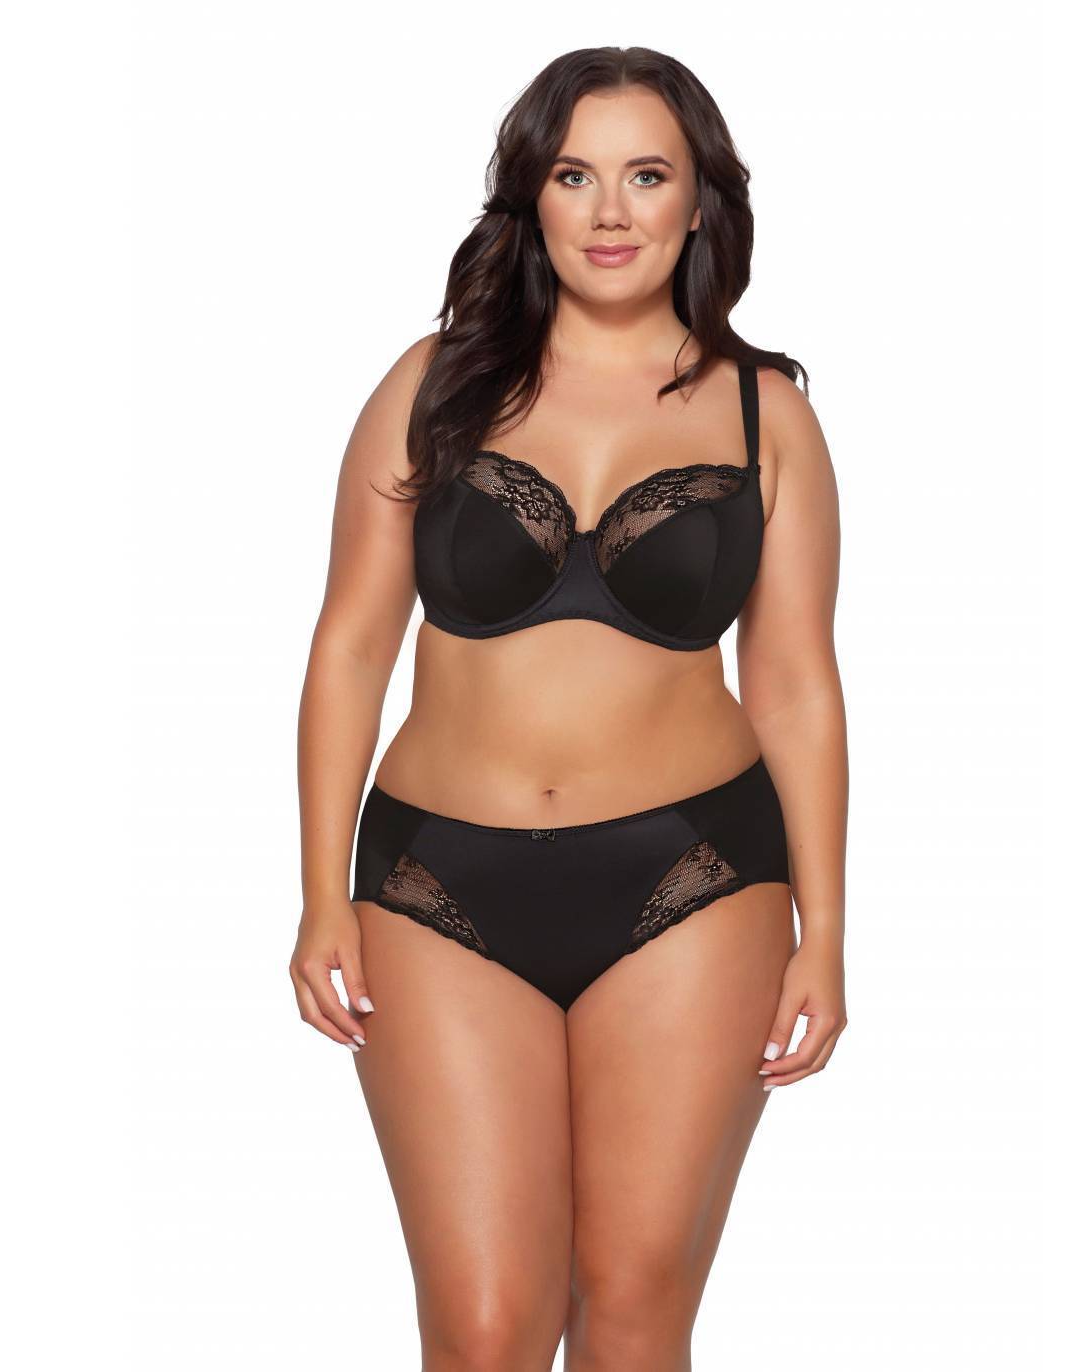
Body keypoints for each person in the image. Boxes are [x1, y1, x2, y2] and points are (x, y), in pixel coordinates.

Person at [290, 46, 848, 1371]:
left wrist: (826, 933)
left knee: (634, 1316)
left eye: (646, 175)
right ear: (530, 198)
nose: (609, 211)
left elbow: (794, 683)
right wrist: (319, 896)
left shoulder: (766, 415)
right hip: (434, 880)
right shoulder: (431, 384)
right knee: (485, 1329)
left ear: (700, 202)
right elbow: (350, 646)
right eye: (573, 175)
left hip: (694, 881)